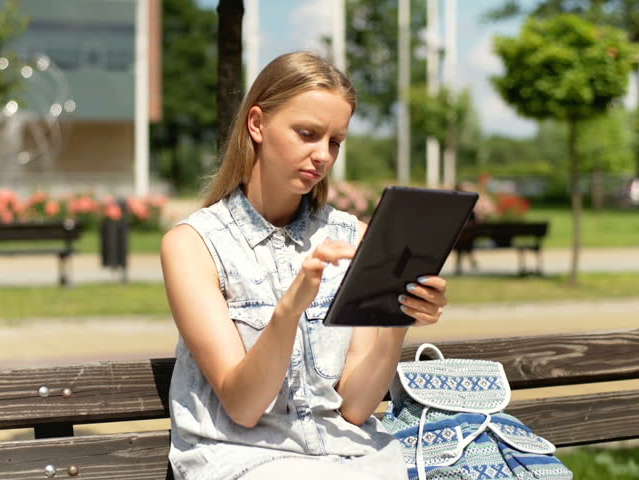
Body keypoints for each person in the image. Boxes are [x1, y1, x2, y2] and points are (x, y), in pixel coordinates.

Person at [160, 52, 449, 480]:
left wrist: (398, 315)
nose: (323, 156)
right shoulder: (194, 245)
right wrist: (289, 310)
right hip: (243, 457)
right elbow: (242, 406)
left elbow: (354, 407)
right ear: (256, 124)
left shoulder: (356, 238)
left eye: (335, 141)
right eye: (308, 134)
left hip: (349, 456)